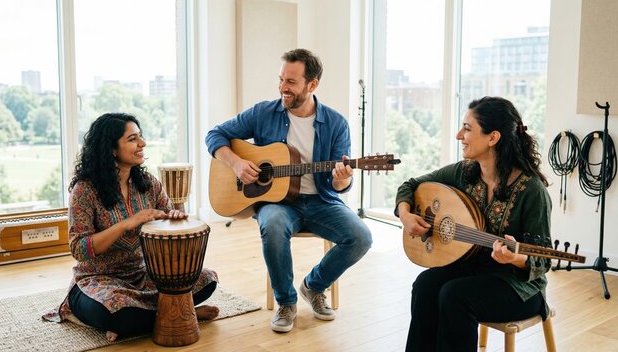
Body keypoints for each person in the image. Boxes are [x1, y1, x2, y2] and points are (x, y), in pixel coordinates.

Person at [205, 48, 372, 333]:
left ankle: (314, 286)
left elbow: (338, 184)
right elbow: (214, 134)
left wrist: (343, 179)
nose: (283, 87)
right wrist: (235, 163)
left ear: (313, 85)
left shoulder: (336, 124)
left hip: (321, 200)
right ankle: (286, 302)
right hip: (278, 202)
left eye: (291, 82)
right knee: (272, 225)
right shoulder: (263, 112)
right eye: (281, 79)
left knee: (361, 237)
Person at [43, 113, 219, 342]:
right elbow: (79, 248)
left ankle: (158, 316)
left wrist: (174, 217)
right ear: (111, 149)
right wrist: (126, 224)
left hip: (144, 274)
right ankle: (181, 313)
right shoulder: (85, 190)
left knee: (207, 279)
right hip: (98, 280)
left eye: (141, 137)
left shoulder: (148, 184)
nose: (142, 144)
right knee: (117, 310)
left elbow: (165, 219)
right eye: (133, 139)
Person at [395, 96, 552, 351]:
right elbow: (410, 185)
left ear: (493, 138)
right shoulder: (464, 173)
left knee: (455, 296)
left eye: (467, 129)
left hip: (519, 288)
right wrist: (405, 214)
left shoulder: (532, 191)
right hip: (473, 269)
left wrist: (514, 258)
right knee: (425, 285)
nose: (459, 135)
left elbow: (543, 260)